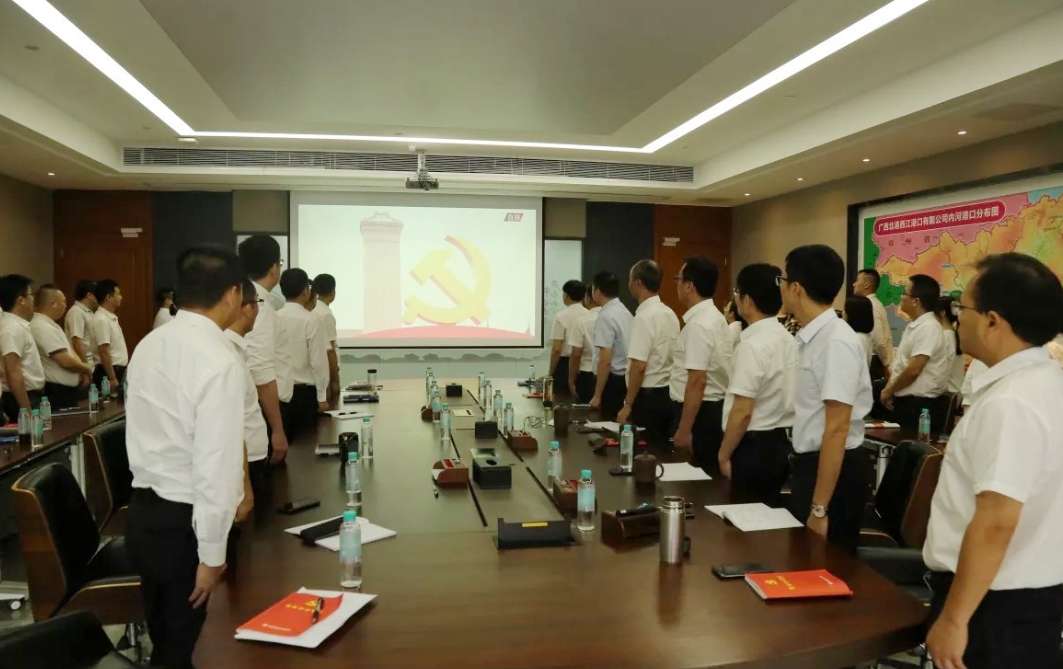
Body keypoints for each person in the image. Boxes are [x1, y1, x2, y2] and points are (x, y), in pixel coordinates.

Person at [924, 253, 1063, 669]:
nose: (956, 320)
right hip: (1028, 597)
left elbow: (997, 519)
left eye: (961, 308)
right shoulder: (1047, 383)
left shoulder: (1011, 403)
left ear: (992, 321)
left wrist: (954, 619)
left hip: (991, 607)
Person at [125, 246, 250, 669]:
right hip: (184, 526)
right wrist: (213, 556)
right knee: (180, 650)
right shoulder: (219, 359)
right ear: (232, 294)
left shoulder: (149, 344)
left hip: (144, 515)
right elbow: (215, 466)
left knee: (164, 642)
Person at [779, 245, 873, 551]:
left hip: (833, 473)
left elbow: (836, 428)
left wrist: (820, 508)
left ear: (796, 288)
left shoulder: (836, 342)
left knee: (823, 563)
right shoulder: (813, 337)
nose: (781, 287)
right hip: (813, 466)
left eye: (783, 280)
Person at [717, 264, 796, 506]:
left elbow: (743, 411)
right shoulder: (787, 338)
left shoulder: (752, 345)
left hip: (752, 447)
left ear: (747, 300)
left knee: (744, 517)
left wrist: (723, 455)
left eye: (736, 292)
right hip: (779, 443)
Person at [667, 257, 732, 474]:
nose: (677, 284)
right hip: (708, 410)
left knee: (696, 481)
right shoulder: (714, 317)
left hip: (700, 415)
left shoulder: (699, 325)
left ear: (689, 286)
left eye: (678, 279)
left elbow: (697, 380)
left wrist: (684, 430)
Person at [238, 235, 290, 465]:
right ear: (273, 268)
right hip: (264, 408)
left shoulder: (243, 297)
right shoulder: (258, 305)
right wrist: (277, 429)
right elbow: (261, 369)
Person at [616, 260, 679, 442]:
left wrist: (628, 404)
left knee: (644, 450)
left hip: (647, 398)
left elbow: (639, 366)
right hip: (667, 394)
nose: (628, 284)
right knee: (660, 451)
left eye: (630, 280)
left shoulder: (644, 316)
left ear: (638, 283)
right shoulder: (670, 313)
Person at [879, 274, 952, 431]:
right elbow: (902, 364)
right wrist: (892, 389)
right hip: (907, 402)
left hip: (920, 406)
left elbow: (914, 370)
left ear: (915, 301)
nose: (901, 297)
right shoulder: (916, 325)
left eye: (904, 293)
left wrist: (889, 391)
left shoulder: (929, 327)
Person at [226, 278, 269, 499]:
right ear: (247, 307)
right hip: (244, 462)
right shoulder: (226, 352)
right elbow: (230, 423)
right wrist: (244, 484)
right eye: (257, 303)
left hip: (252, 456)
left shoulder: (238, 348)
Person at [276, 268, 330, 440]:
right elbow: (318, 362)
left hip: (279, 393)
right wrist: (322, 396)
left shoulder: (274, 317)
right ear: (306, 291)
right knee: (306, 447)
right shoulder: (311, 319)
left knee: (285, 444)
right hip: (304, 395)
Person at [30, 284, 92, 410]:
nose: (65, 305)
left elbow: (70, 352)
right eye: (63, 302)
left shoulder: (52, 324)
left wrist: (81, 370)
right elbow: (65, 361)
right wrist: (87, 368)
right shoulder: (41, 326)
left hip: (66, 389)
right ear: (53, 304)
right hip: (56, 391)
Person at [0, 275, 46, 422]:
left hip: (29, 395)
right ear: (21, 300)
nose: (33, 299)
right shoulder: (11, 328)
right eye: (31, 294)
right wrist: (27, 411)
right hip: (21, 398)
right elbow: (13, 372)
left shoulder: (17, 325)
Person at [588, 271, 632, 420]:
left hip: (611, 382)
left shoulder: (605, 316)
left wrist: (597, 395)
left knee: (605, 424)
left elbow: (605, 360)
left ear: (597, 291)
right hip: (624, 379)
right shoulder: (624, 311)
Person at [548, 280, 588, 398]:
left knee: (561, 401)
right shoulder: (589, 315)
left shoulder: (561, 316)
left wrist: (550, 373)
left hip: (564, 367)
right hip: (584, 365)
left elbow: (556, 349)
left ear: (566, 295)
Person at [852, 268, 894, 373]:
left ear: (866, 284)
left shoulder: (870, 305)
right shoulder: (874, 303)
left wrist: (886, 365)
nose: (854, 284)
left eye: (857, 280)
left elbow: (879, 341)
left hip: (874, 363)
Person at [90, 279, 129, 389]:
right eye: (118, 294)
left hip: (117, 370)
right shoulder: (101, 319)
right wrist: (112, 378)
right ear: (108, 297)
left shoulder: (109, 317)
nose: (121, 297)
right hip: (108, 372)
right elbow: (103, 350)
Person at [566, 290, 600, 403]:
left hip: (586, 375)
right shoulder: (614, 318)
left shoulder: (581, 321)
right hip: (610, 375)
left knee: (584, 410)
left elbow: (576, 354)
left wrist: (571, 380)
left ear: (588, 298)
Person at [311, 273, 340, 401]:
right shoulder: (326, 314)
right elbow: (330, 351)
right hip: (326, 374)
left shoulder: (313, 308)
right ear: (333, 292)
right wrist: (335, 381)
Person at [64, 279, 98, 371]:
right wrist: (85, 367)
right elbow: (77, 341)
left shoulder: (89, 312)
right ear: (89, 295)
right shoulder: (76, 312)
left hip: (92, 361)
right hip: (83, 362)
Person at [935, 295, 965, 395]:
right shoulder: (952, 334)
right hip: (954, 390)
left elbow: (940, 371)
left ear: (942, 313)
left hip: (948, 393)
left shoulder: (945, 337)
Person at [843, 295, 875, 364]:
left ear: (853, 314)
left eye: (845, 309)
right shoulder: (866, 335)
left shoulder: (854, 338)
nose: (843, 312)